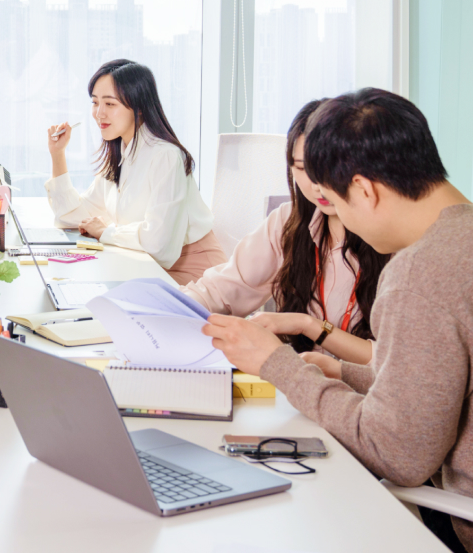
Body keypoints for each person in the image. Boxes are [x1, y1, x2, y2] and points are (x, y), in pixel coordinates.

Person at [203, 89, 473, 553]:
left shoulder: (418, 272)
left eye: (338, 202)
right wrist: (345, 372)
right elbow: (439, 385)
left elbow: (399, 453)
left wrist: (277, 365)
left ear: (364, 190)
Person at [184, 99, 390, 363]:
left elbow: (394, 364)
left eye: (328, 167)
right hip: (293, 384)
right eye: (303, 168)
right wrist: (167, 308)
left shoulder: (389, 237)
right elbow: (222, 289)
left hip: (358, 395)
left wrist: (308, 325)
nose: (317, 184)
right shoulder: (287, 221)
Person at [46, 59, 226, 283]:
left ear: (138, 107)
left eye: (110, 104)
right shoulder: (120, 153)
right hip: (143, 266)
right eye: (95, 102)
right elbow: (70, 216)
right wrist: (57, 154)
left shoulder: (166, 156)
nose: (99, 113)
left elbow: (160, 246)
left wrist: (106, 232)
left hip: (195, 275)